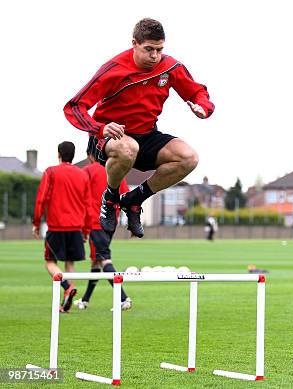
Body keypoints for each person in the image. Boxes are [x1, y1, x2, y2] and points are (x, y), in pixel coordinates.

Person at [64, 18, 215, 238]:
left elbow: (197, 92)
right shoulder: (113, 69)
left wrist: (202, 107)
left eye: (159, 50)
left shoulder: (170, 66)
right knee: (128, 147)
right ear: (134, 43)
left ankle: (134, 200)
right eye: (149, 49)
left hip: (147, 135)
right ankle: (111, 197)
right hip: (111, 138)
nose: (155, 56)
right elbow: (74, 107)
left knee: (189, 158)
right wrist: (99, 128)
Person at [33, 142, 92, 312]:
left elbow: (41, 199)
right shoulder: (82, 175)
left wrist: (36, 223)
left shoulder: (50, 172)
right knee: (69, 263)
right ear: (73, 155)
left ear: (58, 153)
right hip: (76, 228)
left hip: (57, 227)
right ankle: (67, 302)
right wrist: (86, 230)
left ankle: (66, 287)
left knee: (50, 263)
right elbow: (88, 205)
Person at [75, 145, 132, 311]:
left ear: (89, 155)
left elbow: (79, 197)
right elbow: (126, 196)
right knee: (97, 261)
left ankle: (123, 298)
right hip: (110, 223)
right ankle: (85, 300)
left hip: (94, 222)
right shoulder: (115, 170)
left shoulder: (87, 171)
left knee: (105, 259)